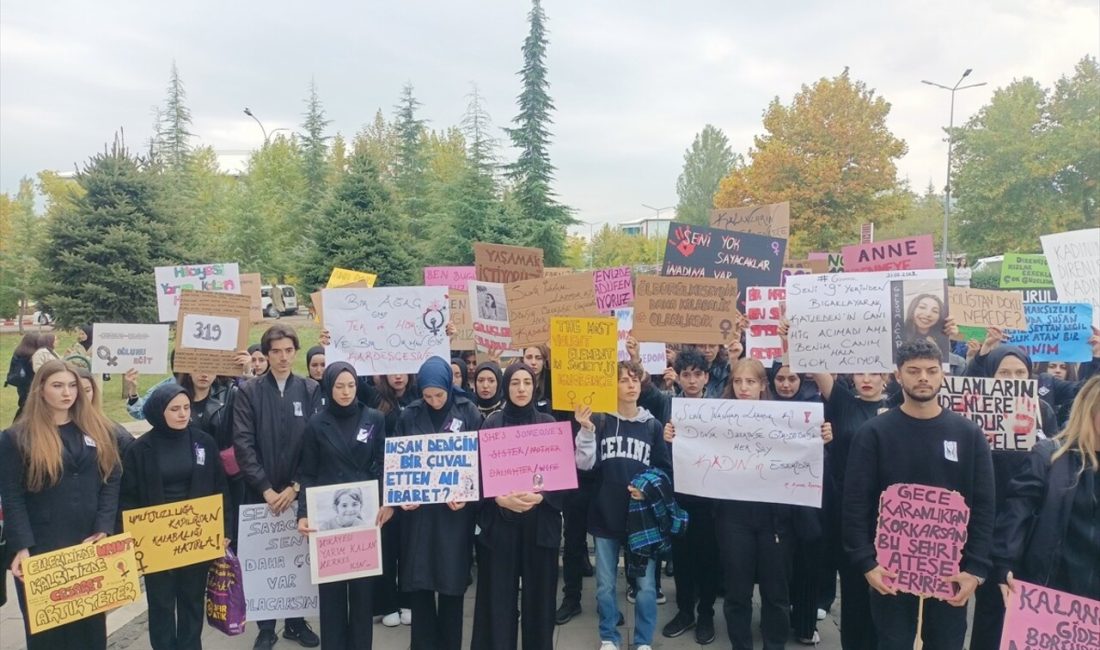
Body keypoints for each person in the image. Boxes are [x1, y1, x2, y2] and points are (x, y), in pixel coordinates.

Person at [843, 340, 996, 649]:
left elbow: (984, 504)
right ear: (898, 376)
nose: (923, 377)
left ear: (942, 375)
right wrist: (866, 563)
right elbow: (855, 502)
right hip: (890, 573)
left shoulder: (968, 434)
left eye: (930, 370)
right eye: (913, 371)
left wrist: (976, 570)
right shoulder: (874, 433)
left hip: (950, 574)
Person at [0, 360, 122, 650]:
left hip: (87, 544)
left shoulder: (96, 429)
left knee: (90, 632)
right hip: (43, 548)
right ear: (40, 390)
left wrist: (104, 527)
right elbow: (12, 494)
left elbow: (112, 477)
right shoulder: (17, 437)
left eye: (72, 386)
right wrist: (21, 547)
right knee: (48, 636)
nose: (67, 393)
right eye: (58, 385)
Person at [120, 383, 229, 650]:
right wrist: (131, 539)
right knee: (161, 604)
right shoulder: (139, 450)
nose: (182, 414)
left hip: (196, 537)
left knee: (192, 601)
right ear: (159, 412)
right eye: (174, 409)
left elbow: (220, 487)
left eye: (186, 408)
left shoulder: (203, 441)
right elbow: (128, 498)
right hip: (156, 542)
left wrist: (224, 531)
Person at [233, 325, 322, 650]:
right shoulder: (250, 391)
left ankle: (296, 624)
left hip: (297, 491)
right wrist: (266, 488)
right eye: (276, 351)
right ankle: (266, 628)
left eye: (288, 350)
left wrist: (296, 486)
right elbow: (242, 442)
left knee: (296, 560)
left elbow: (315, 442)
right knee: (265, 562)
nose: (283, 357)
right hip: (262, 495)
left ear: (295, 351)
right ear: (266, 354)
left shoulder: (309, 388)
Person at [574, 360, 671, 650]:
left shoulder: (652, 426)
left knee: (645, 586)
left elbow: (664, 470)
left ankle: (642, 641)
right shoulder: (602, 421)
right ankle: (609, 637)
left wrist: (648, 491)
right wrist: (586, 431)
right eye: (624, 380)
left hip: (641, 519)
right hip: (606, 513)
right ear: (612, 386)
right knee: (604, 584)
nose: (631, 385)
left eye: (635, 380)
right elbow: (585, 464)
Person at [297, 361, 393, 650]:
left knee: (363, 596)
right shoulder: (316, 423)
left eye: (351, 385)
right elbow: (308, 473)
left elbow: (383, 464)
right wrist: (303, 513)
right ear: (328, 386)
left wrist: (389, 502)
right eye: (339, 385)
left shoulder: (374, 418)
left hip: (363, 516)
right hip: (329, 517)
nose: (346, 391)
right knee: (332, 596)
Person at [471, 363, 563, 650]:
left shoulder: (548, 424)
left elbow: (562, 478)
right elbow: (478, 474)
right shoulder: (491, 424)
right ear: (505, 387)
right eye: (515, 383)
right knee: (498, 599)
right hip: (500, 526)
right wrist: (498, 498)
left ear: (534, 386)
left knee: (539, 600)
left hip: (539, 527)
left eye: (526, 382)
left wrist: (542, 496)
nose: (521, 389)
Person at [394, 356, 483, 650]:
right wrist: (400, 496)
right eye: (427, 395)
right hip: (418, 517)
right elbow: (396, 461)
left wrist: (469, 496)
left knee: (451, 587)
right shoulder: (409, 414)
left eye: (439, 395)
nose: (433, 401)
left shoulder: (468, 411)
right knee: (420, 586)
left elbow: (481, 463)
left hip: (453, 517)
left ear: (449, 385)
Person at [995, 376, 1100, 604]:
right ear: (1089, 411)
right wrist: (1005, 565)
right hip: (1051, 593)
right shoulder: (1049, 456)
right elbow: (1018, 512)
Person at [660, 348, 721, 645]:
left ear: (707, 377)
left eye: (698, 374)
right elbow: (661, 453)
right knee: (682, 557)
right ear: (679, 377)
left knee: (708, 557)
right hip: (680, 496)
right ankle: (685, 611)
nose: (692, 380)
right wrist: (666, 439)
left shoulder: (720, 408)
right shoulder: (670, 407)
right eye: (686, 375)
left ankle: (706, 613)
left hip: (710, 499)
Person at [372, 372, 417, 627]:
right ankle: (386, 603)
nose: (398, 375)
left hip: (413, 486)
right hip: (383, 484)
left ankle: (408, 601)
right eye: (392, 369)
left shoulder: (421, 398)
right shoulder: (374, 400)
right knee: (386, 548)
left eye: (403, 370)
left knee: (410, 547)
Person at [5, 332, 37, 421]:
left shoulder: (19, 351)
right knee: (26, 407)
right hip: (29, 383)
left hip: (20, 383)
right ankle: (16, 426)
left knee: (23, 404)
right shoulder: (31, 355)